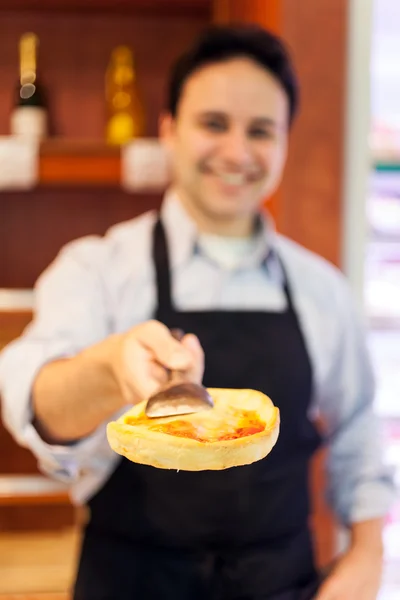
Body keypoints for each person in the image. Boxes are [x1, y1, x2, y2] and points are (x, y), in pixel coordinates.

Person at [0, 24, 394, 600]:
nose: (236, 152)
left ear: (284, 143)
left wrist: (366, 555)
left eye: (260, 131)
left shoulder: (321, 289)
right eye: (214, 124)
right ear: (169, 131)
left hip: (282, 584)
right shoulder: (98, 268)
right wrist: (110, 368)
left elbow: (357, 430)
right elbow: (34, 401)